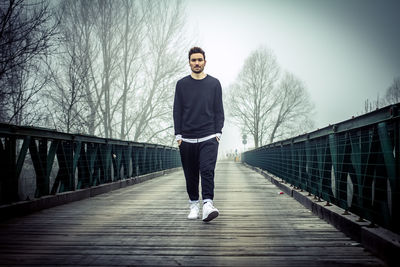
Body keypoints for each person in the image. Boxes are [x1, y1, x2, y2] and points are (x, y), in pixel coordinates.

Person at [173, 47, 224, 222]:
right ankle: (194, 205)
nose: (196, 63)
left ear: (205, 62)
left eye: (199, 60)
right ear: (189, 62)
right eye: (193, 60)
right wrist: (178, 135)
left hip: (209, 136)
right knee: (191, 173)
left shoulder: (214, 83)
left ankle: (208, 205)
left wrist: (218, 133)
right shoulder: (181, 84)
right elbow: (177, 110)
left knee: (207, 170)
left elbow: (219, 110)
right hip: (186, 137)